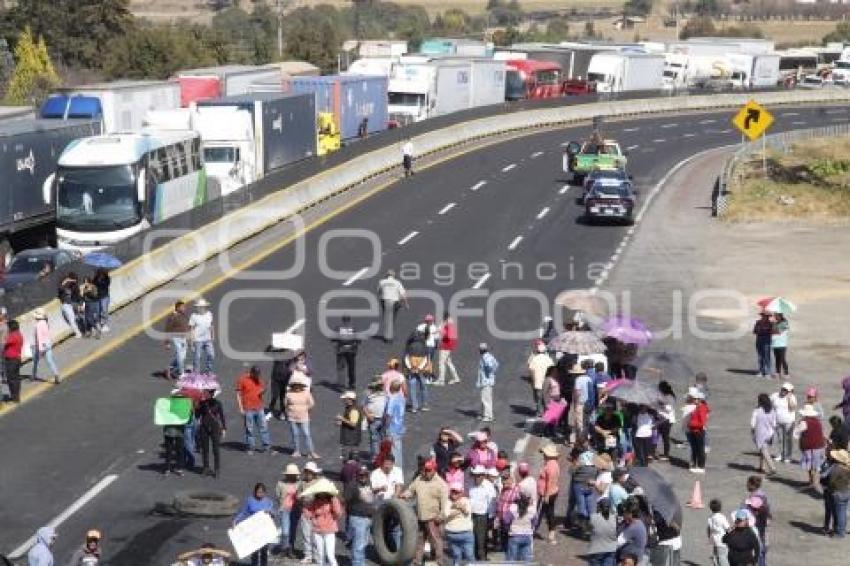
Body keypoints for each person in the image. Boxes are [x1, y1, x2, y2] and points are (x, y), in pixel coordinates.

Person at [402, 459, 447, 566]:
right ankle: (417, 561)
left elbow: (445, 503)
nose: (425, 472)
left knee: (436, 541)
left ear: (434, 470)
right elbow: (411, 490)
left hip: (433, 517)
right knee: (419, 541)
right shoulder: (419, 479)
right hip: (420, 516)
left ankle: (439, 561)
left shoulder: (441, 484)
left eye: (428, 470)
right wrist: (404, 495)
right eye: (424, 470)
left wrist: (441, 516)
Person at [234, 483, 275, 566]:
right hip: (253, 529)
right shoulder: (250, 500)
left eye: (262, 492)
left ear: (265, 492)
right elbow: (244, 512)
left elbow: (273, 514)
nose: (260, 494)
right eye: (258, 492)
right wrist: (236, 520)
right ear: (255, 492)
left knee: (264, 550)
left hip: (264, 529)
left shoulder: (268, 502)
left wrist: (270, 512)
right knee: (254, 550)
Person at [235, 365, 271, 455]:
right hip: (248, 408)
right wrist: (240, 408)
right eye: (256, 375)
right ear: (251, 373)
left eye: (258, 375)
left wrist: (265, 389)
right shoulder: (242, 379)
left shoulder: (259, 380)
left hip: (259, 407)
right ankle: (251, 447)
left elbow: (260, 393)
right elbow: (238, 394)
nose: (257, 377)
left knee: (263, 427)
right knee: (249, 429)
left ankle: (266, 445)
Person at [345, 466, 376, 566]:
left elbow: (370, 497)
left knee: (363, 544)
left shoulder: (369, 483)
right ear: (357, 475)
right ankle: (357, 564)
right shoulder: (352, 485)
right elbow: (345, 499)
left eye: (365, 474)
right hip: (358, 518)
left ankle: (360, 563)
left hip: (368, 518)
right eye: (361, 474)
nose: (363, 476)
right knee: (358, 545)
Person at [302, 490, 343, 566]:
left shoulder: (332, 500)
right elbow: (309, 512)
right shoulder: (315, 501)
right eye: (320, 492)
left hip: (330, 530)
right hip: (318, 530)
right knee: (320, 555)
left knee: (330, 555)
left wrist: (334, 500)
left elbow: (338, 513)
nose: (322, 494)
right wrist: (309, 515)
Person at [285, 373, 318, 459]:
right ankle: (296, 451)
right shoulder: (289, 394)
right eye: (295, 385)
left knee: (307, 434)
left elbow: (312, 404)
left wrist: (306, 410)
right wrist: (288, 412)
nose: (297, 387)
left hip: (304, 417)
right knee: (295, 435)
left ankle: (311, 452)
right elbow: (285, 404)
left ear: (301, 386)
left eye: (298, 385)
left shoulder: (306, 393)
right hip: (292, 417)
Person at [468, 465, 497, 560]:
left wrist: (491, 518)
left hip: (483, 516)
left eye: (479, 475)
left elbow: (492, 503)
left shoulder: (488, 486)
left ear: (483, 476)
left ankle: (482, 558)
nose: (477, 477)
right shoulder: (471, 485)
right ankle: (475, 557)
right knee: (473, 538)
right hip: (472, 515)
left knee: (481, 539)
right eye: (475, 475)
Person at [794, 404, 827, 486]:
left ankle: (811, 481)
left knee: (810, 464)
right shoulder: (817, 421)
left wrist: (800, 437)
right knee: (815, 464)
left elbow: (795, 433)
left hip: (809, 446)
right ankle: (813, 480)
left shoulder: (804, 422)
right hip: (819, 445)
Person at [444, 483, 475, 566]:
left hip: (466, 534)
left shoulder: (466, 500)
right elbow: (446, 515)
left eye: (457, 492)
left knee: (469, 555)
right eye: (452, 491)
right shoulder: (447, 502)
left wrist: (459, 507)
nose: (454, 494)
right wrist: (458, 510)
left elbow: (467, 511)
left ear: (461, 492)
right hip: (452, 534)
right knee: (456, 556)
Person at [197, 388, 226, 477]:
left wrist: (224, 428)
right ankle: (206, 468)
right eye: (205, 392)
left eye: (207, 392)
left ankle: (216, 469)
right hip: (204, 427)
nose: (205, 394)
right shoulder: (202, 403)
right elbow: (197, 415)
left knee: (215, 449)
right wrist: (196, 406)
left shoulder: (217, 403)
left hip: (215, 427)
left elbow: (222, 416)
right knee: (205, 449)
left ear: (212, 394)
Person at [537, 444, 561, 545]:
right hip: (551, 492)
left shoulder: (551, 466)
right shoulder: (552, 463)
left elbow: (550, 482)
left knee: (541, 512)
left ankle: (548, 533)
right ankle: (551, 533)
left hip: (547, 494)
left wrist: (546, 495)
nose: (543, 455)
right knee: (548, 513)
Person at [276, 464, 300, 558]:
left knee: (293, 530)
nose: (292, 476)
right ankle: (284, 548)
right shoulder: (280, 483)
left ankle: (290, 548)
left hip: (295, 509)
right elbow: (278, 496)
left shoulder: (299, 483)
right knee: (285, 531)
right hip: (285, 509)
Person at [404, 328, 431, 413]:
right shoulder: (424, 346)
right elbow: (426, 359)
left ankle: (414, 407)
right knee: (423, 387)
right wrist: (420, 368)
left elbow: (406, 358)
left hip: (412, 370)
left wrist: (411, 368)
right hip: (421, 370)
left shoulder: (409, 346)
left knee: (412, 387)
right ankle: (424, 405)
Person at [376, 270, 407, 342]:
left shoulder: (382, 282)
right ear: (394, 276)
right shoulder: (397, 282)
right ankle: (389, 337)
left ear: (387, 275)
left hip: (384, 300)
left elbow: (378, 291)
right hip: (395, 301)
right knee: (392, 318)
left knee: (387, 318)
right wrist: (406, 304)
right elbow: (403, 294)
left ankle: (387, 336)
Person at [31, 308, 60, 384]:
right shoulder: (45, 322)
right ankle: (56, 373)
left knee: (35, 361)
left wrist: (40, 349)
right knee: (50, 361)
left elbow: (39, 338)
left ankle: (34, 375)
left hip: (40, 346)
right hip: (48, 344)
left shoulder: (38, 325)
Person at [770, 382, 797, 464]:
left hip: (789, 422)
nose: (783, 391)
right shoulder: (775, 395)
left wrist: (789, 398)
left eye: (786, 390)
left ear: (790, 391)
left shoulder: (792, 397)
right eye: (783, 389)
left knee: (788, 439)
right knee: (778, 438)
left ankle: (788, 456)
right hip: (777, 421)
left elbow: (792, 408)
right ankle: (779, 454)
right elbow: (769, 403)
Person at [750, 393, 777, 475]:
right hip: (769, 433)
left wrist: (752, 431)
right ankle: (762, 466)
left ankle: (772, 468)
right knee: (763, 450)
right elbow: (774, 423)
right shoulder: (772, 410)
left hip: (760, 434)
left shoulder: (757, 411)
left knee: (764, 451)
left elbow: (753, 424)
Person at [685, 387, 709, 473]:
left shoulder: (702, 408)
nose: (694, 400)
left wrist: (691, 424)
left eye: (695, 399)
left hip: (698, 431)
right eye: (694, 399)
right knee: (695, 448)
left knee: (700, 449)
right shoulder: (696, 407)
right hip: (693, 431)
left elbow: (702, 422)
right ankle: (695, 464)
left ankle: (701, 466)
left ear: (699, 400)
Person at [827, 447, 850, 539]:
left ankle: (839, 533)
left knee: (839, 513)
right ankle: (842, 530)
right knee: (843, 513)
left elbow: (831, 481)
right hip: (846, 491)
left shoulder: (836, 469)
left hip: (838, 492)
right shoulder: (847, 468)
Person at [164, 301, 190, 380]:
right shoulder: (172, 316)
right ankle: (181, 373)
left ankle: (169, 368)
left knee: (183, 356)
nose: (184, 308)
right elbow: (167, 329)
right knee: (179, 355)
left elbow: (187, 326)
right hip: (176, 338)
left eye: (184, 307)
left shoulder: (184, 315)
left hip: (183, 338)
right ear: (177, 308)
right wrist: (167, 342)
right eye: (182, 307)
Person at [587, 499, 618, 566]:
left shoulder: (593, 517)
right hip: (610, 549)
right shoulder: (615, 518)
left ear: (600, 508)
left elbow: (588, 529)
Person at [332, 315, 359, 390]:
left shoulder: (338, 327)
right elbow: (358, 339)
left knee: (341, 367)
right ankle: (352, 384)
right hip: (351, 350)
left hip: (341, 350)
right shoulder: (353, 327)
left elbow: (333, 338)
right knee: (351, 368)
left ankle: (341, 384)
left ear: (342, 319)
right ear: (349, 319)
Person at [528, 339, 555, 416]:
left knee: (538, 399)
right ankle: (547, 413)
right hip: (546, 383)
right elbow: (552, 370)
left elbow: (531, 370)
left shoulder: (534, 359)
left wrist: (532, 381)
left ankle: (539, 413)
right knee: (546, 399)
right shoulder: (548, 359)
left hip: (537, 383)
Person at [363, 378, 388, 459]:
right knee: (375, 438)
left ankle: (379, 455)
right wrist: (368, 415)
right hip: (374, 419)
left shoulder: (384, 394)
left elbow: (388, 406)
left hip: (381, 419)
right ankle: (376, 456)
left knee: (379, 438)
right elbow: (363, 406)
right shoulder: (369, 394)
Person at [266, 347, 293, 420]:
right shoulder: (277, 352)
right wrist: (272, 345)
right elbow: (267, 352)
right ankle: (270, 411)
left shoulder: (291, 354)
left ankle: (282, 412)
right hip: (276, 379)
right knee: (274, 396)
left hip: (285, 379)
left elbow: (296, 361)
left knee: (283, 397)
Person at [385, 379, 406, 470]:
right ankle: (398, 467)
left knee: (393, 450)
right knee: (398, 449)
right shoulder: (402, 397)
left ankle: (396, 469)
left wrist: (385, 426)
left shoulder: (392, 399)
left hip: (392, 427)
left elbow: (389, 414)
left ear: (391, 388)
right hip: (400, 426)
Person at [189, 298, 215, 374]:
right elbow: (191, 329)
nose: (200, 308)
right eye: (199, 307)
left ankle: (208, 370)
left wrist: (213, 335)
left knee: (211, 355)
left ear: (205, 307)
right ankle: (196, 372)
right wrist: (191, 341)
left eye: (202, 306)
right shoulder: (194, 316)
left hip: (207, 339)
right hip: (198, 340)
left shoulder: (209, 314)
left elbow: (211, 325)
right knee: (197, 357)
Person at [477, 343, 499, 423]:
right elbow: (496, 364)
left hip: (486, 381)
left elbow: (489, 366)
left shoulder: (485, 358)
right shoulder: (490, 356)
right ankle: (483, 414)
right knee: (486, 398)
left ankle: (488, 416)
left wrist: (488, 373)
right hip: (489, 381)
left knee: (485, 399)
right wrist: (492, 374)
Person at [336, 391, 362, 459]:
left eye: (345, 399)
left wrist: (342, 419)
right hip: (349, 439)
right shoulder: (349, 408)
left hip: (351, 439)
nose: (344, 400)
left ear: (350, 399)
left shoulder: (354, 410)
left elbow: (353, 424)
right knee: (347, 457)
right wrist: (342, 423)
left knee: (349, 457)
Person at [655, 381, 676, 461]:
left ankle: (666, 454)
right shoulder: (661, 396)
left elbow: (669, 409)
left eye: (660, 388)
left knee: (665, 437)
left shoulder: (670, 397)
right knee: (657, 436)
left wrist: (661, 404)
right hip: (660, 419)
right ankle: (655, 451)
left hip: (667, 420)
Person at [438, 311, 461, 385]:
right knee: (448, 362)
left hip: (445, 346)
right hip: (449, 345)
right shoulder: (451, 323)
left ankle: (441, 380)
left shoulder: (448, 324)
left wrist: (440, 331)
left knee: (441, 363)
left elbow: (445, 335)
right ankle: (456, 378)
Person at [57, 271, 82, 337]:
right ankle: (79, 330)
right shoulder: (73, 285)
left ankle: (78, 333)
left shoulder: (68, 286)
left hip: (68, 304)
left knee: (71, 319)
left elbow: (60, 288)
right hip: (71, 304)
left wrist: (66, 281)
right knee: (73, 318)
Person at [4, 319, 23, 403]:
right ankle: (16, 396)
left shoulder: (12, 336)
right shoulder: (19, 334)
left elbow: (5, 342)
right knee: (16, 378)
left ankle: (14, 397)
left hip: (11, 359)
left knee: (11, 378)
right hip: (17, 358)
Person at [707, 499, 731, 566]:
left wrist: (709, 537)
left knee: (716, 557)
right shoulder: (722, 517)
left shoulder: (710, 517)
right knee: (723, 558)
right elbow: (728, 529)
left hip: (714, 540)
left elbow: (708, 529)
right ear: (720, 507)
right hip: (722, 541)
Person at [752, 312, 773, 378]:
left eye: (766, 316)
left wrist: (764, 330)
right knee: (760, 357)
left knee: (767, 357)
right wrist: (760, 330)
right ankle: (761, 371)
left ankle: (767, 372)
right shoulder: (758, 322)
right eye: (764, 316)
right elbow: (754, 331)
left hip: (767, 342)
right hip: (759, 341)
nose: (765, 317)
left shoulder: (771, 324)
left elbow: (772, 332)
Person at [770, 313, 789, 379]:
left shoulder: (784, 323)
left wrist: (773, 324)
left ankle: (786, 373)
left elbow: (777, 331)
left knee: (782, 359)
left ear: (780, 316)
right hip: (775, 344)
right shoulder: (776, 323)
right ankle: (778, 373)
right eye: (775, 316)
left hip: (782, 344)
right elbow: (771, 331)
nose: (775, 317)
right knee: (777, 359)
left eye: (776, 316)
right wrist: (773, 324)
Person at [92, 268, 111, 332]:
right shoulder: (95, 279)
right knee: (99, 311)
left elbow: (107, 285)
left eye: (101, 274)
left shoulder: (106, 279)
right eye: (99, 273)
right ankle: (100, 323)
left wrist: (101, 280)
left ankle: (104, 324)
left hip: (105, 297)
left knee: (104, 310)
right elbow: (93, 286)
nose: (100, 275)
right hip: (98, 297)